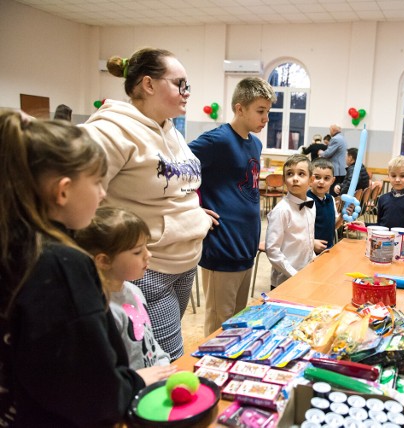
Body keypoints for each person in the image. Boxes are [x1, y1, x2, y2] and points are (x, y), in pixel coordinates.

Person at [0, 110, 146, 426]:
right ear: (63, 190)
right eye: (96, 182)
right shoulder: (60, 265)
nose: (103, 194)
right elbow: (94, 392)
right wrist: (133, 385)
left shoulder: (11, 241)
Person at [81, 48, 212, 360]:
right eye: (180, 84)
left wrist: (194, 214)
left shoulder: (170, 129)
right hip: (148, 267)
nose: (187, 93)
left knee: (152, 353)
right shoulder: (110, 130)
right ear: (148, 84)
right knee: (167, 358)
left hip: (185, 261)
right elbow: (77, 200)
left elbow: (178, 185)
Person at [189, 77, 276, 335]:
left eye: (268, 112)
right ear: (240, 108)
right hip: (223, 247)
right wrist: (190, 208)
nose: (266, 118)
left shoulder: (255, 143)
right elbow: (176, 168)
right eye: (260, 111)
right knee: (219, 325)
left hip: (245, 246)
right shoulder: (218, 140)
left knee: (237, 323)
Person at [75, 206, 176, 378]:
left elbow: (148, 339)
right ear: (104, 261)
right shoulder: (105, 310)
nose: (148, 255)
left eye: (146, 247)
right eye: (137, 251)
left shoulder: (134, 290)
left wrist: (163, 365)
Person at [351, 155, 404, 247]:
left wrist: (401, 237)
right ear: (388, 175)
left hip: (403, 247)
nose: (397, 180)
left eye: (402, 176)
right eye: (393, 176)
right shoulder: (383, 199)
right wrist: (365, 225)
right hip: (383, 245)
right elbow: (381, 225)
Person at [266, 154, 316, 288]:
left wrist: (315, 259)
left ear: (311, 180)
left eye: (301, 174)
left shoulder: (312, 205)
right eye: (289, 174)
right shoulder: (282, 210)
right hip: (285, 280)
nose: (295, 179)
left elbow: (308, 239)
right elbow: (272, 250)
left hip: (306, 275)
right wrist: (294, 275)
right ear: (284, 179)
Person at [307, 158, 338, 254]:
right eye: (317, 177)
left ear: (332, 181)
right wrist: (311, 243)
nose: (321, 182)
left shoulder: (331, 199)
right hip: (310, 252)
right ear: (310, 178)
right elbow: (298, 231)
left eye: (326, 178)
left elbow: (334, 225)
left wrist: (342, 217)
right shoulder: (306, 200)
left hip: (328, 250)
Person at [319, 124, 347, 196]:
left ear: (333, 130)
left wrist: (321, 152)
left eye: (330, 130)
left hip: (336, 169)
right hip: (341, 169)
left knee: (333, 192)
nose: (330, 132)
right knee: (338, 191)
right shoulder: (342, 138)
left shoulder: (335, 139)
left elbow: (327, 153)